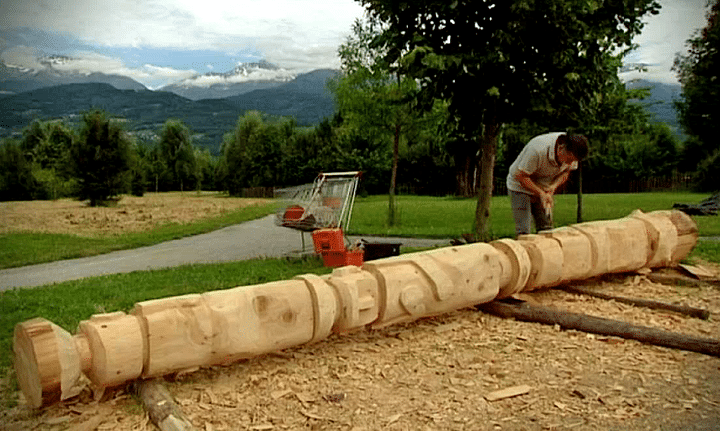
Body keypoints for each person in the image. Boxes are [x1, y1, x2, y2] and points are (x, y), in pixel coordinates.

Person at [506, 132, 588, 236]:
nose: (570, 163)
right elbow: (521, 176)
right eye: (569, 159)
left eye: (573, 161)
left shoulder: (573, 154)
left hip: (544, 186)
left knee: (547, 230)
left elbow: (566, 172)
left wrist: (551, 188)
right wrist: (540, 193)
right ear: (561, 149)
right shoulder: (537, 150)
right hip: (519, 186)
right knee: (524, 231)